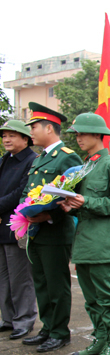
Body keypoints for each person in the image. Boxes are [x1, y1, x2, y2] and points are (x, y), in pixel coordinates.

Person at [58, 113, 110, 355]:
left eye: (82, 133)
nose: (78, 138)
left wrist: (86, 202)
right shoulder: (86, 165)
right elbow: (85, 205)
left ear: (98, 135)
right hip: (86, 241)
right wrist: (72, 206)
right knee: (91, 298)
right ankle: (99, 339)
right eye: (76, 134)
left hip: (104, 242)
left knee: (108, 296)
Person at [21, 102, 83, 352]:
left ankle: (59, 332)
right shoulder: (40, 159)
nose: (31, 132)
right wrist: (24, 214)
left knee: (57, 284)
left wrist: (47, 216)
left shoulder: (67, 157)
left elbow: (72, 196)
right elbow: (29, 193)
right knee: (42, 283)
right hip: (36, 232)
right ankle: (47, 327)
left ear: (49, 128)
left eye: (34, 127)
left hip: (55, 231)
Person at [0, 120, 38, 339]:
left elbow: (20, 193)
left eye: (12, 135)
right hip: (1, 225)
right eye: (4, 135)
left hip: (16, 225)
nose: (6, 139)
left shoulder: (31, 161)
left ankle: (24, 320)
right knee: (3, 277)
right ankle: (8, 318)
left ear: (25, 139)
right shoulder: (5, 160)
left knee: (20, 277)